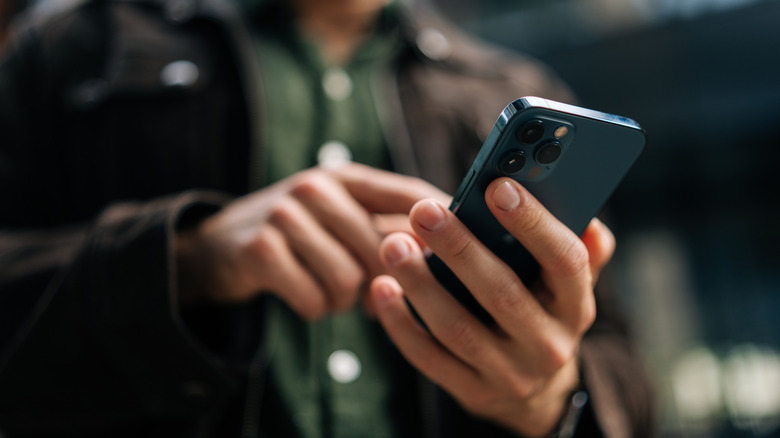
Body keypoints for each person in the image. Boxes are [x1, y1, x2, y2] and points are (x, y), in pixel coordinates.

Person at [0, 0, 654, 436]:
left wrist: (548, 399)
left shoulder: (499, 85)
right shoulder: (75, 48)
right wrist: (194, 258)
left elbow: (627, 374)